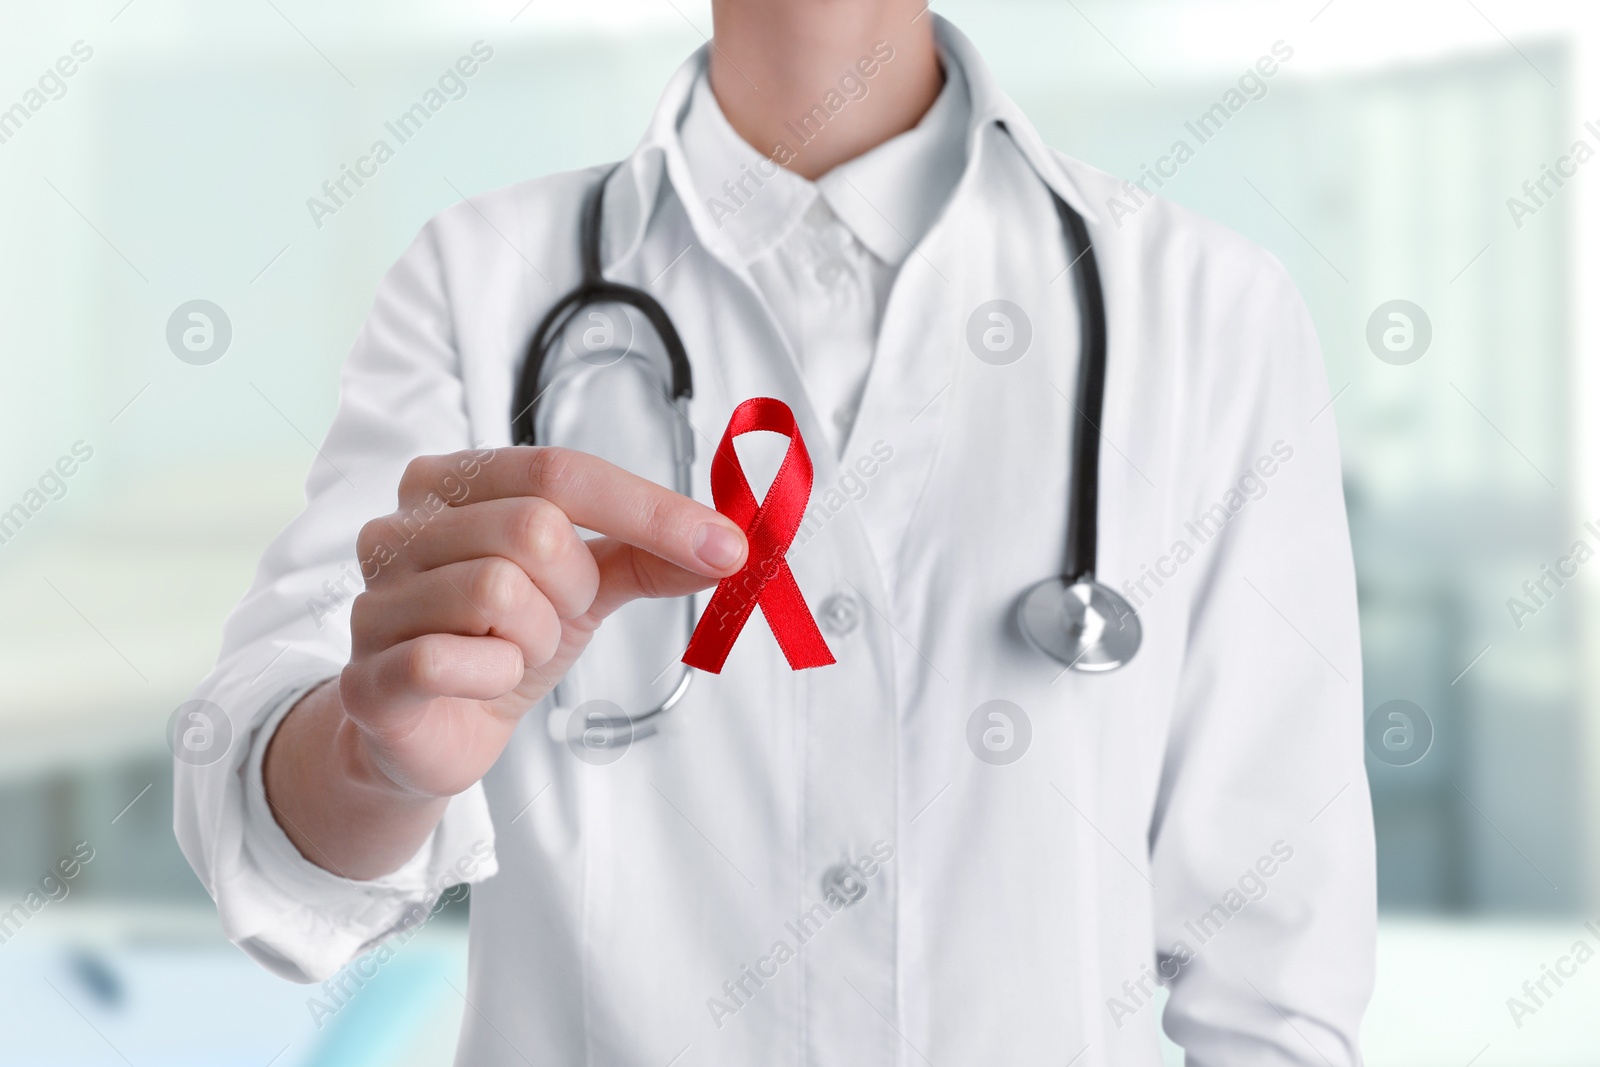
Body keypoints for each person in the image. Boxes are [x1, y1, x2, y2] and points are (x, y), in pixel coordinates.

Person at [174, 1, 1376, 1063]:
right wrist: (371, 761)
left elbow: (1277, 972)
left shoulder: (1208, 309)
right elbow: (255, 807)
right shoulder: (481, 281)